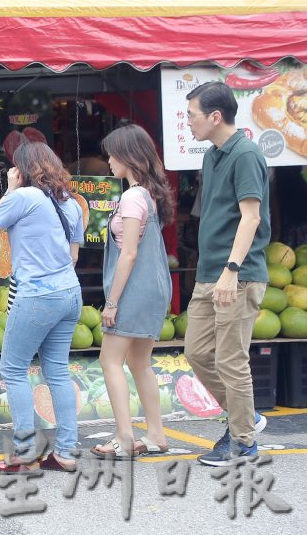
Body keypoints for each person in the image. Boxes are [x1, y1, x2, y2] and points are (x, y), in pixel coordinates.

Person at [0, 141, 84, 474]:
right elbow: (73, 256)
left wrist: (9, 190)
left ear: (21, 170)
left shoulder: (23, 197)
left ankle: (24, 454)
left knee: (13, 370)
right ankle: (66, 451)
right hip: (70, 293)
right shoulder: (70, 203)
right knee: (56, 371)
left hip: (37, 295)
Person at [183, 81, 271, 466]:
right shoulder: (211, 155)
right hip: (209, 272)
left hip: (239, 273)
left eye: (192, 115)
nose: (188, 122)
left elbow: (250, 217)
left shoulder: (246, 154)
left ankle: (243, 442)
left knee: (231, 359)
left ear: (215, 116)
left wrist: (232, 270)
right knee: (197, 352)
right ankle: (243, 416)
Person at [90, 124, 174, 459]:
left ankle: (125, 438)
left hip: (133, 290)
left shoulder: (131, 196)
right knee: (140, 363)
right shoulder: (149, 196)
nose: (108, 160)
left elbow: (129, 254)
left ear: (127, 156)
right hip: (153, 288)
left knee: (109, 360)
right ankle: (155, 434)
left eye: (112, 153)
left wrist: (112, 302)